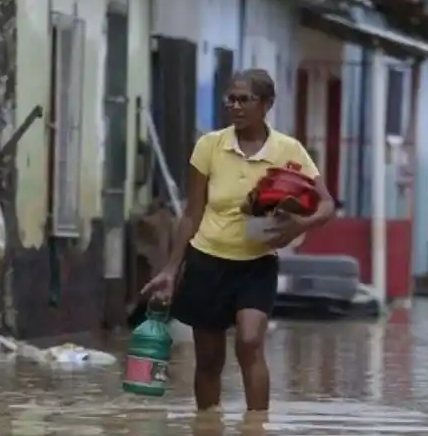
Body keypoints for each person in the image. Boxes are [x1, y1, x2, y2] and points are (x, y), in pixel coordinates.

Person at [141, 69, 335, 412]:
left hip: (257, 264)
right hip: (207, 260)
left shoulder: (288, 150)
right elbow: (192, 213)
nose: (235, 106)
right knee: (209, 359)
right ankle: (208, 428)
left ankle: (256, 430)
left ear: (266, 104)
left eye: (244, 99)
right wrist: (171, 269)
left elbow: (327, 204)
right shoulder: (210, 146)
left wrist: (299, 225)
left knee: (249, 342)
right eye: (230, 99)